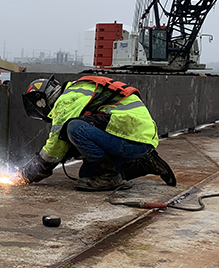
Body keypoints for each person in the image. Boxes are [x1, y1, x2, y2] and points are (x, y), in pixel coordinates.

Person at [16, 75, 176, 191]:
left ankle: (110, 176)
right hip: (137, 136)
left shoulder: (66, 100)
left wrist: (26, 174)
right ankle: (144, 163)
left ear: (43, 102)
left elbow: (55, 147)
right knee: (87, 174)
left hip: (133, 135)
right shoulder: (77, 89)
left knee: (74, 129)